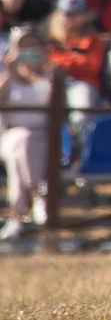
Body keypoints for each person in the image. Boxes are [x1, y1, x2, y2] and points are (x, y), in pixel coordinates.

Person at [0, 30, 55, 240]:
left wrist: (49, 71)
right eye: (24, 47)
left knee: (20, 153)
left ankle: (16, 216)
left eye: (34, 46)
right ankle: (38, 195)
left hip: (44, 139)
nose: (29, 52)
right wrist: (9, 72)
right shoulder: (7, 79)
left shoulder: (48, 77)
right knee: (23, 140)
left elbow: (60, 106)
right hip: (12, 135)